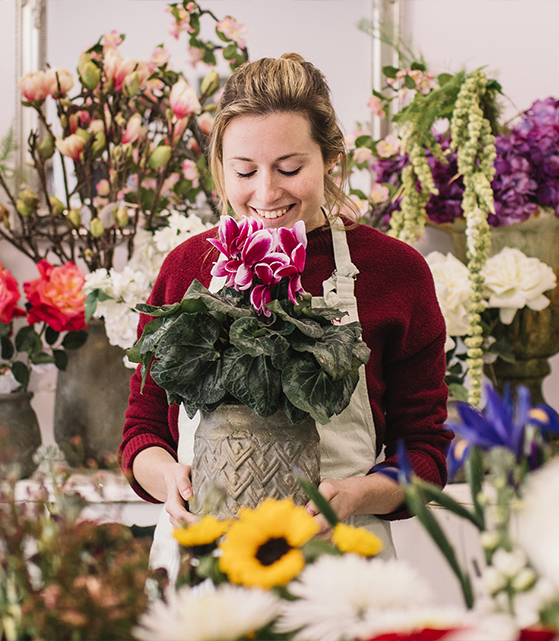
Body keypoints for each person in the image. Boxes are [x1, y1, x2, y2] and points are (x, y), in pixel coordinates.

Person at [119, 53, 450, 570]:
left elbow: (425, 452)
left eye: (290, 168)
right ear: (220, 164)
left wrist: (357, 495)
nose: (267, 193)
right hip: (203, 559)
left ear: (332, 157)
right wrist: (170, 482)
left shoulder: (394, 272)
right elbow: (143, 429)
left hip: (340, 562)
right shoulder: (187, 266)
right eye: (244, 171)